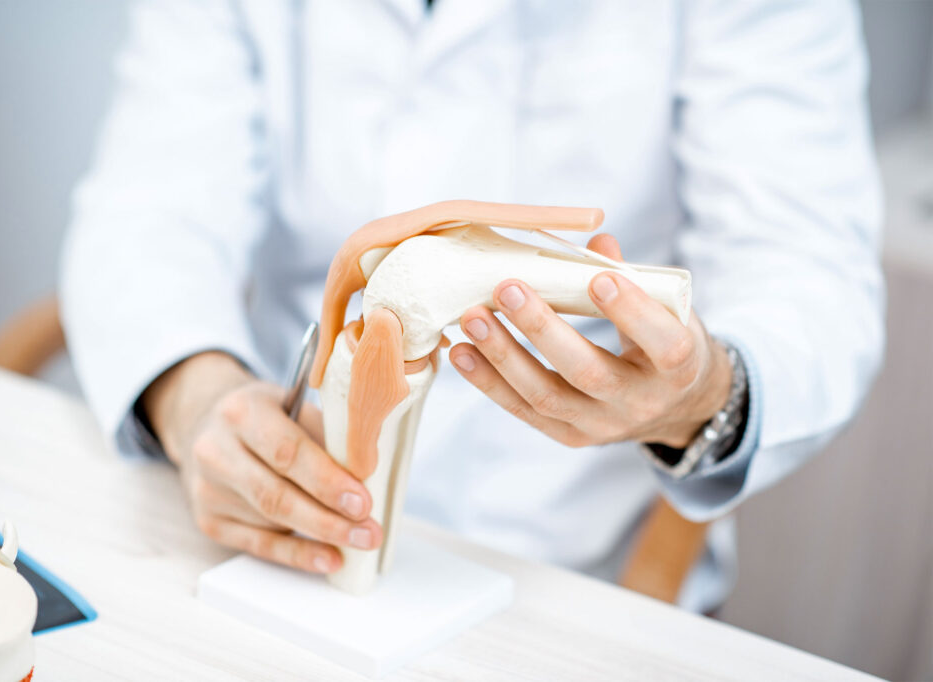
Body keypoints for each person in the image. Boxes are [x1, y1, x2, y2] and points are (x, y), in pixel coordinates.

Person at [61, 0, 883, 612]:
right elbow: (149, 212)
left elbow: (806, 265)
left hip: (574, 569)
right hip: (278, 534)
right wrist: (195, 393)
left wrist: (703, 393)